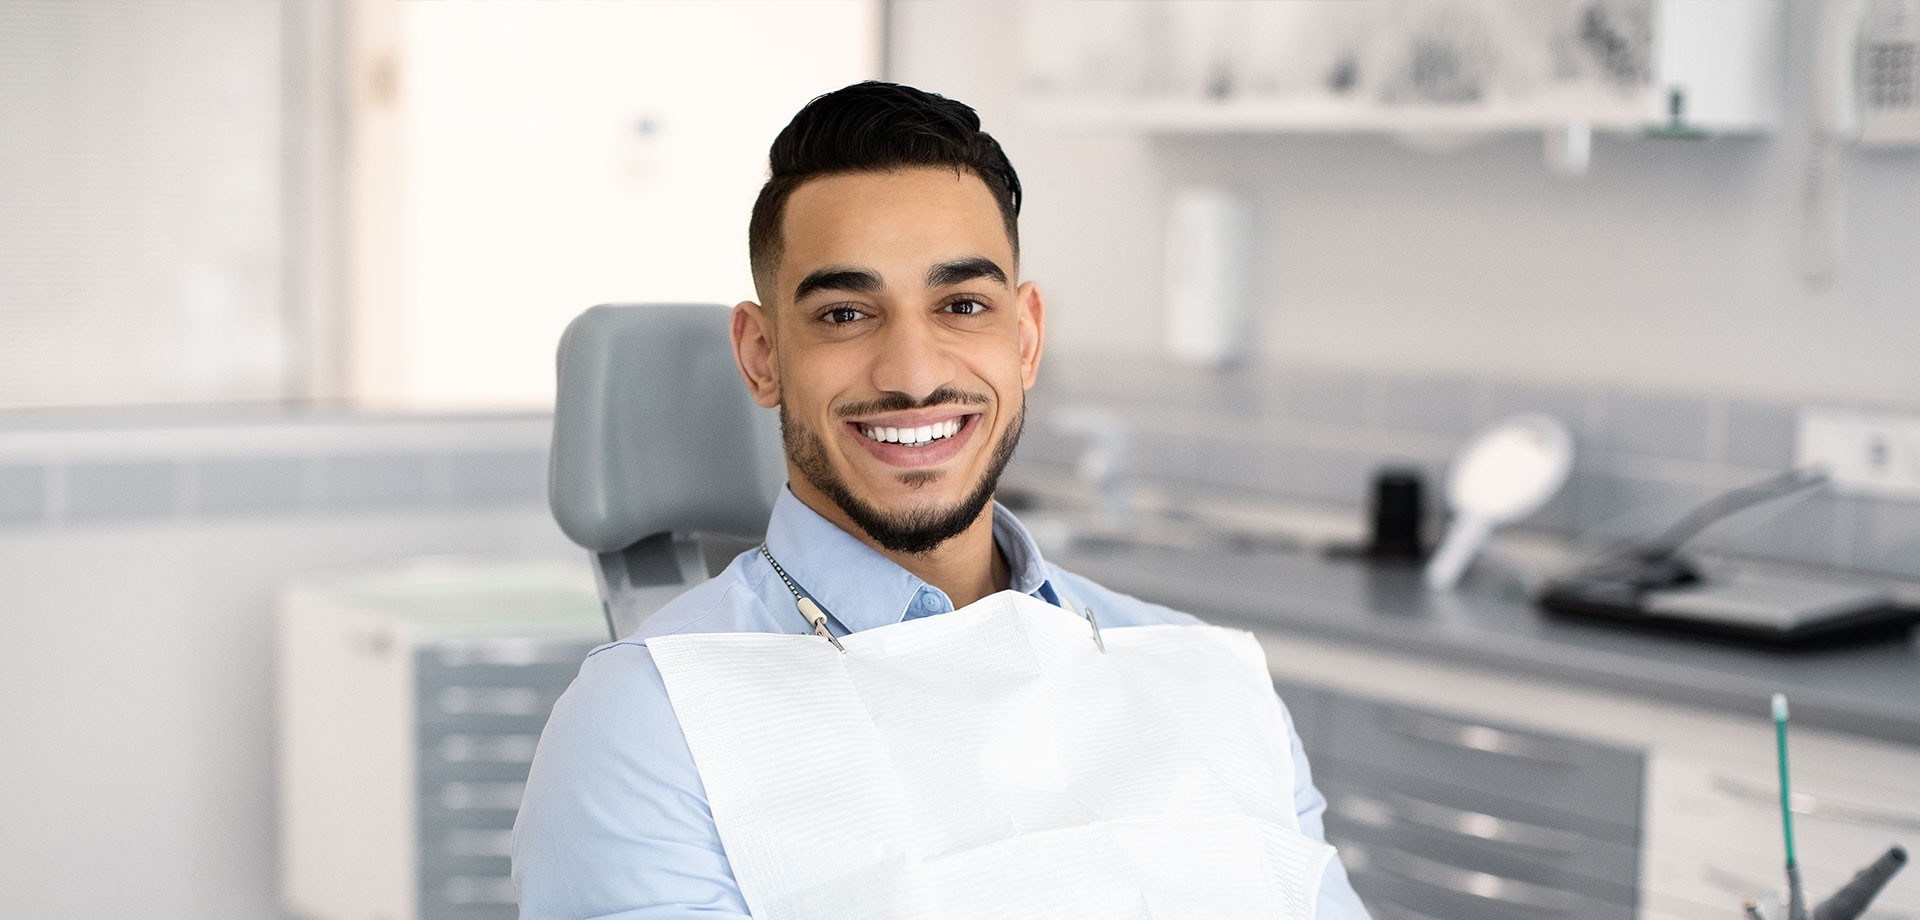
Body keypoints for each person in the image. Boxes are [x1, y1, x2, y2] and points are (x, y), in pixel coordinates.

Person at [512, 81, 1370, 919]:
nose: (914, 374)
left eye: (962, 305)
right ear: (763, 355)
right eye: (846, 314)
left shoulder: (1199, 678)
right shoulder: (646, 728)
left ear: (1025, 338)